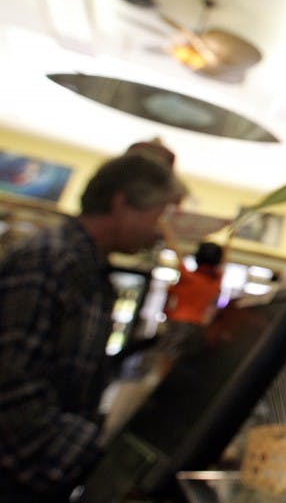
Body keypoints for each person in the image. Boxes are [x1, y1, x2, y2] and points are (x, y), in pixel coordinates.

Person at [0, 152, 186, 501]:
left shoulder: (90, 270)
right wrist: (97, 452)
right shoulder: (52, 260)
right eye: (160, 216)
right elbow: (11, 387)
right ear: (122, 203)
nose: (163, 231)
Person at [157, 219, 230, 359]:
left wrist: (164, 226)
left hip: (178, 322)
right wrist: (230, 238)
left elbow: (174, 248)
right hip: (199, 327)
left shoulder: (187, 276)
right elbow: (225, 260)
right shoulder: (215, 282)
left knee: (166, 357)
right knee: (185, 362)